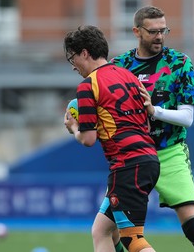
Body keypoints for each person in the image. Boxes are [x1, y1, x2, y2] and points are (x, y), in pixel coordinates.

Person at [110, 6, 194, 252]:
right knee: (109, 228)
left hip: (169, 151)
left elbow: (187, 118)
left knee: (191, 218)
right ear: (136, 31)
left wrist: (154, 111)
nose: (159, 36)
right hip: (132, 153)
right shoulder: (119, 66)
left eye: (163, 30)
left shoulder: (179, 63)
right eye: (153, 31)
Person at [63, 25, 160, 252]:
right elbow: (145, 122)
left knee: (133, 240)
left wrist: (74, 127)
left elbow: (88, 139)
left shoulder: (88, 86)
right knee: (102, 230)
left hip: (128, 165)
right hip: (149, 159)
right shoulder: (129, 76)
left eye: (73, 57)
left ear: (85, 53)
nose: (73, 65)